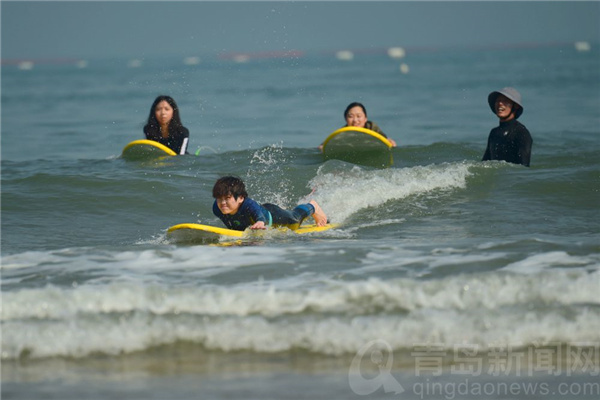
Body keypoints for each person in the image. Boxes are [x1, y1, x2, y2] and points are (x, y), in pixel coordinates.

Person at [212, 176, 328, 231]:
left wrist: (260, 222)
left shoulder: (248, 204)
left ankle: (313, 206)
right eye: (219, 198)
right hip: (262, 211)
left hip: (275, 215)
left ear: (241, 198)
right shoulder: (217, 208)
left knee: (295, 220)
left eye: (227, 198)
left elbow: (258, 214)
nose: (222, 203)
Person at [482, 87, 532, 167]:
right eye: (498, 101)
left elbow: (524, 167)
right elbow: (484, 164)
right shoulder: (494, 133)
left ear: (515, 106)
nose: (500, 104)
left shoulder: (521, 133)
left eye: (505, 101)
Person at [320, 102, 397, 150]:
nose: (355, 120)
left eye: (359, 116)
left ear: (365, 118)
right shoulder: (343, 132)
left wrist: (390, 142)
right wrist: (323, 147)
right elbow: (325, 145)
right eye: (350, 116)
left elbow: (383, 139)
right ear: (346, 119)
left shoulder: (371, 126)